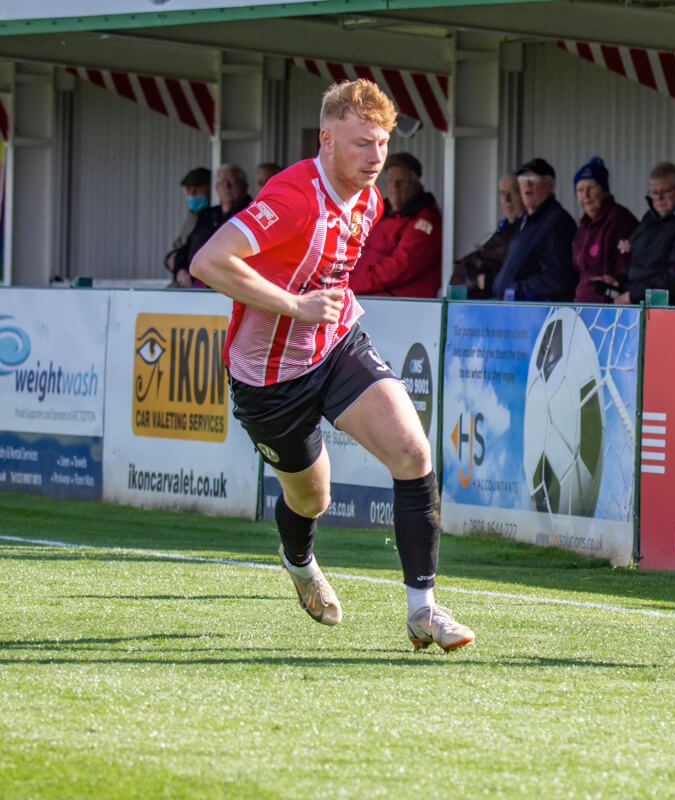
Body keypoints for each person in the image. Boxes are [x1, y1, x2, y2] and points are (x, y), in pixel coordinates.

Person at [189, 79, 473, 652]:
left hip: (334, 346)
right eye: (362, 144)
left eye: (383, 144)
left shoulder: (368, 199)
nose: (376, 158)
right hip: (268, 379)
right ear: (326, 139)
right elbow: (208, 261)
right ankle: (298, 560)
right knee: (311, 499)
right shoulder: (294, 198)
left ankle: (424, 610)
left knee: (413, 451)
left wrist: (319, 311)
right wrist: (294, 305)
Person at [600, 162, 675, 305]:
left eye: (666, 191)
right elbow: (639, 261)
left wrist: (633, 295)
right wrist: (618, 279)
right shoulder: (649, 219)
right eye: (654, 192)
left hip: (670, 308)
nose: (659, 198)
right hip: (641, 303)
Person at [348, 152, 442, 298]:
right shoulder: (378, 211)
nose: (395, 185)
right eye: (390, 179)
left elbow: (401, 265)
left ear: (416, 184)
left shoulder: (425, 219)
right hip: (366, 297)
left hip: (400, 305)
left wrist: (352, 284)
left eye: (402, 180)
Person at [492, 158, 577, 301]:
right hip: (513, 309)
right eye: (522, 179)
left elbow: (557, 277)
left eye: (533, 179)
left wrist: (515, 290)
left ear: (550, 185)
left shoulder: (556, 222)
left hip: (536, 315)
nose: (527, 185)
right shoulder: (528, 221)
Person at [571, 156, 638, 303]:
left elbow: (626, 268)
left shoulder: (619, 219)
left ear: (604, 190)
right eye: (580, 190)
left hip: (609, 309)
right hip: (584, 305)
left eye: (591, 188)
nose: (586, 195)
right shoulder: (583, 225)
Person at [174, 164, 252, 288]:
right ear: (216, 188)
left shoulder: (252, 214)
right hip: (195, 288)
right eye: (222, 182)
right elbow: (184, 250)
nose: (226, 186)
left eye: (232, 181)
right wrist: (180, 271)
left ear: (244, 186)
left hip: (231, 289)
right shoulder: (207, 215)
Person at [450, 174, 522, 299]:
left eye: (513, 192)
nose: (507, 199)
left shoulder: (525, 230)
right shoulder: (505, 225)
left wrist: (484, 281)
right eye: (502, 193)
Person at [164, 167, 210, 285]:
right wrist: (171, 259)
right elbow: (179, 245)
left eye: (197, 189)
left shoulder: (215, 217)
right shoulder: (192, 216)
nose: (192, 194)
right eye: (189, 190)